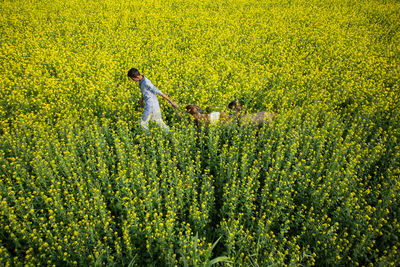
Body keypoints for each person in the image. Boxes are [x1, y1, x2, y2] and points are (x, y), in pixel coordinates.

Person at [127, 68, 178, 132]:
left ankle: (147, 137)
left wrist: (171, 101)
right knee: (158, 120)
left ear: (137, 76)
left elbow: (158, 91)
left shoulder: (146, 82)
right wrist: (142, 101)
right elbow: (144, 92)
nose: (133, 80)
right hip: (155, 104)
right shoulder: (141, 81)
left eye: (132, 79)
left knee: (143, 122)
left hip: (150, 105)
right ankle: (169, 133)